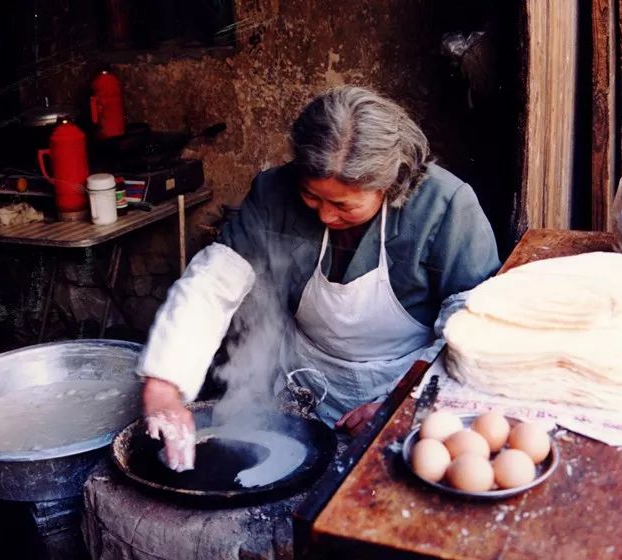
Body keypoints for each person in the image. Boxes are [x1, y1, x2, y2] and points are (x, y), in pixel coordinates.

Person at [140, 86, 500, 471]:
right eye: (312, 197)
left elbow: (473, 323)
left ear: (389, 184)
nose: (325, 216)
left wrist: (404, 401)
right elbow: (214, 282)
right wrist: (164, 383)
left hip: (406, 383)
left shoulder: (444, 206)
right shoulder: (274, 192)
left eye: (344, 205)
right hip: (303, 385)